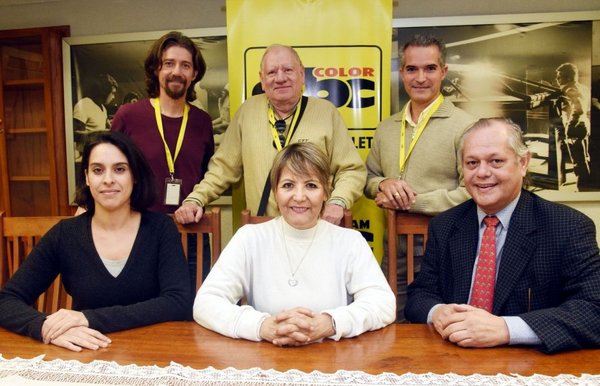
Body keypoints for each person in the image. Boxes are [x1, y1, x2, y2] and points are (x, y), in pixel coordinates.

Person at [405, 117, 600, 353]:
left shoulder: (568, 227)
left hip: (529, 365)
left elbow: (593, 310)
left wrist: (507, 328)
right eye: (472, 163)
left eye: (496, 161)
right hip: (453, 357)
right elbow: (420, 294)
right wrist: (437, 312)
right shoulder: (444, 225)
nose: (482, 173)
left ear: (523, 162)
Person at [0, 132, 192, 352]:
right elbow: (7, 300)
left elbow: (179, 302)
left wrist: (88, 318)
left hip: (153, 352)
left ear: (135, 176)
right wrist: (44, 327)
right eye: (98, 170)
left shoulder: (160, 229)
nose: (108, 179)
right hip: (87, 354)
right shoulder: (65, 234)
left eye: (119, 169)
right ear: (87, 177)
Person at [193, 143, 395, 345]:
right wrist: (262, 326)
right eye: (288, 185)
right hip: (265, 359)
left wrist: (330, 323)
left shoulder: (350, 242)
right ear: (275, 191)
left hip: (331, 361)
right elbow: (206, 303)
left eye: (311, 186)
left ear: (326, 191)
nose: (299, 197)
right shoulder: (249, 238)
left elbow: (383, 304)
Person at [174, 44, 366, 225]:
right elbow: (222, 169)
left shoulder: (326, 113)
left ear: (301, 74)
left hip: (315, 228)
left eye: (288, 70)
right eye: (272, 72)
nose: (280, 78)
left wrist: (338, 202)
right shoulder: (247, 112)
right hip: (263, 232)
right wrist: (195, 199)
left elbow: (352, 170)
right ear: (262, 80)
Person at [364, 34, 475, 320]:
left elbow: (472, 191)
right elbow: (368, 178)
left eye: (430, 68)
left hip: (444, 249)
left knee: (444, 326)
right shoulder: (387, 128)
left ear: (444, 72)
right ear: (401, 73)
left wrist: (412, 202)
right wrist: (384, 184)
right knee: (390, 323)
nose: (421, 78)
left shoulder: (465, 127)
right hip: (394, 247)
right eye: (412, 69)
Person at [111, 31, 214, 286]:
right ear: (156, 69)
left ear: (194, 74)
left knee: (192, 311)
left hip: (191, 235)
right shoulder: (129, 115)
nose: (177, 71)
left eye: (185, 65)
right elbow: (106, 167)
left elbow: (206, 176)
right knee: (141, 313)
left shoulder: (202, 122)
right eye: (169, 63)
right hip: (138, 233)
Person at [554, 63, 592, 191]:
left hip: (575, 128)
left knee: (578, 160)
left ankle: (582, 187)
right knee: (585, 157)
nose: (557, 80)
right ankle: (586, 184)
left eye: (559, 77)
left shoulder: (570, 89)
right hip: (584, 125)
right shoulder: (583, 87)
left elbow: (579, 109)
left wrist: (569, 128)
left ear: (569, 78)